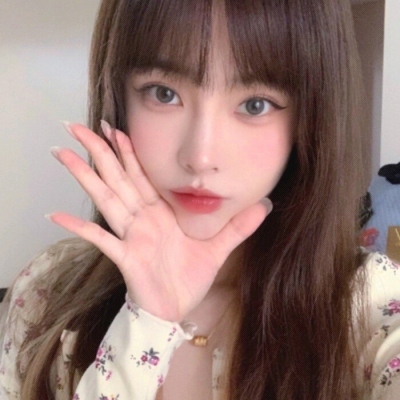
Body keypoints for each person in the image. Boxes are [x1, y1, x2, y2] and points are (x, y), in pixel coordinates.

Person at [1, 0, 400, 399]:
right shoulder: (46, 292)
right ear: (119, 98)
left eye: (255, 105)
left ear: (310, 118)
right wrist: (146, 324)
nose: (201, 156)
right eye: (163, 93)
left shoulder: (374, 309)